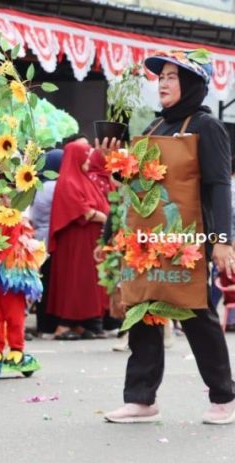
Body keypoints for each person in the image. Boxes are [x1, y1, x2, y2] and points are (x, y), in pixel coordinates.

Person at [104, 50, 235, 424]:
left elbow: (218, 186)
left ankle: (224, 396)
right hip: (147, 241)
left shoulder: (207, 127)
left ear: (193, 84)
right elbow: (142, 182)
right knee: (144, 312)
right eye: (160, 76)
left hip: (187, 242)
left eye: (172, 76)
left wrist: (223, 239)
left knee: (195, 314)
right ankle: (141, 399)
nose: (162, 82)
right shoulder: (153, 128)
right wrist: (115, 163)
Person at [46, 140, 109, 340]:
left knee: (86, 282)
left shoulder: (83, 178)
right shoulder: (68, 181)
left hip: (88, 241)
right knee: (75, 281)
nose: (88, 158)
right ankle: (64, 326)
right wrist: (106, 218)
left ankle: (80, 323)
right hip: (76, 243)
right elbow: (82, 211)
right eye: (85, 154)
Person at [0, 216, 45, 368]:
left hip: (11, 275)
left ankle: (16, 349)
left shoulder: (13, 218)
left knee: (14, 314)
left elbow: (13, 241)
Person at [30, 148, 63, 338]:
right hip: (50, 240)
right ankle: (48, 325)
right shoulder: (54, 187)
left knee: (42, 283)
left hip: (38, 237)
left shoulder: (39, 185)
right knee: (49, 284)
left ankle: (43, 325)